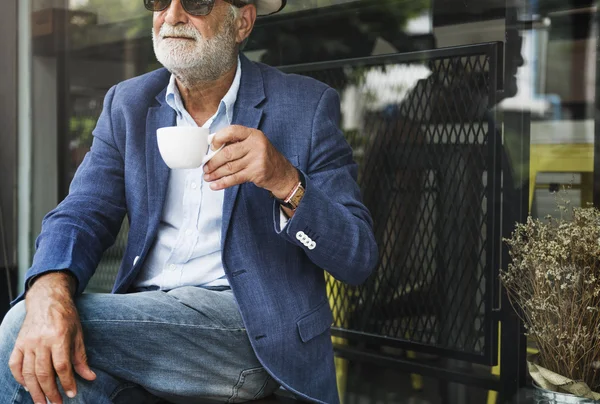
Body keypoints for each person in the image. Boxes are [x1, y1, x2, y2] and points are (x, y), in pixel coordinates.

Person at [0, 0, 378, 403]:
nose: (172, 15)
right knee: (46, 362)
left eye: (196, 1)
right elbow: (81, 214)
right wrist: (49, 289)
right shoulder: (128, 104)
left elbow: (357, 258)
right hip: (149, 325)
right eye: (159, 1)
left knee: (19, 329)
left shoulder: (305, 106)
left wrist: (286, 182)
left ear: (242, 22)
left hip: (250, 331)